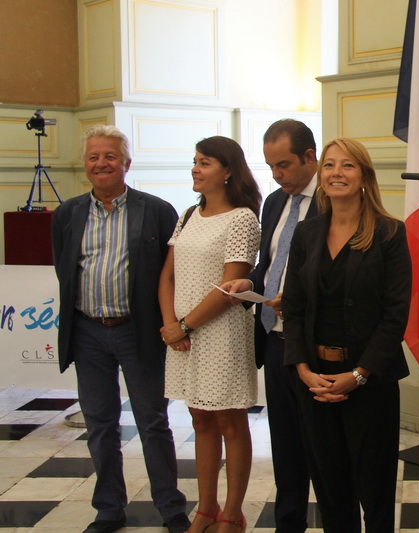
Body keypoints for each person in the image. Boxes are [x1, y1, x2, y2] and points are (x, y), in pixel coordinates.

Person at [52, 125, 191, 533]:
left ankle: (170, 508)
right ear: (85, 165)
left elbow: (172, 274)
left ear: (126, 164)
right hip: (87, 332)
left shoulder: (156, 210)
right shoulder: (68, 213)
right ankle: (109, 510)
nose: (101, 163)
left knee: (152, 422)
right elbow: (65, 269)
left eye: (110, 156)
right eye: (94, 157)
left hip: (138, 332)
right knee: (100, 425)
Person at [281, 137, 412, 532]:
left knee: (374, 490)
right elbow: (295, 308)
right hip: (315, 379)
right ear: (320, 176)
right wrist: (302, 368)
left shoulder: (389, 233)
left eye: (348, 165)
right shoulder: (307, 233)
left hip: (369, 381)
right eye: (330, 165)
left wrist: (358, 376)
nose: (337, 172)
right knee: (330, 488)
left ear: (364, 177)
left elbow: (395, 317)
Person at [158, 136, 261, 533]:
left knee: (230, 423)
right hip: (182, 334)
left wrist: (183, 326)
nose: (195, 169)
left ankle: (232, 515)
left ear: (228, 171)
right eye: (195, 161)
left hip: (221, 333)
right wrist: (172, 326)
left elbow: (229, 286)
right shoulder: (188, 214)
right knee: (199, 418)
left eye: (205, 163)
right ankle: (206, 508)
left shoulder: (242, 218)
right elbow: (167, 275)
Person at [219, 119, 318, 532]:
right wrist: (250, 282)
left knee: (323, 450)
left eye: (284, 165)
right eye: (271, 166)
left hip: (316, 342)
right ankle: (288, 524)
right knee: (287, 447)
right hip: (275, 338)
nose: (277, 176)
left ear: (310, 158)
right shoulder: (276, 202)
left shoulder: (335, 201)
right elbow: (270, 263)